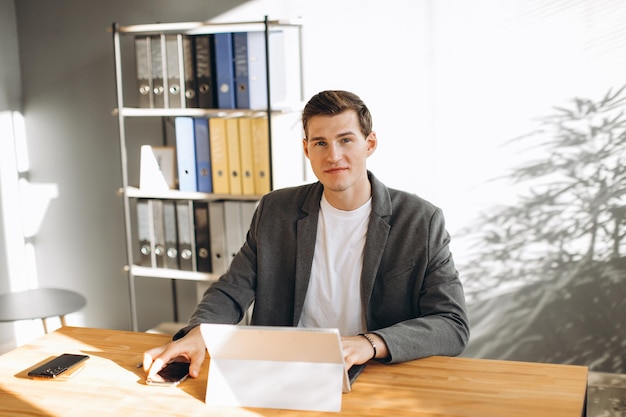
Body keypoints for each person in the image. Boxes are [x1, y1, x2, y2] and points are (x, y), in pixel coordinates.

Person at [143, 90, 470, 380]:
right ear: (306, 149)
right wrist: (200, 331)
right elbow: (233, 289)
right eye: (320, 143)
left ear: (369, 144)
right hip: (283, 369)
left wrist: (370, 344)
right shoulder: (276, 209)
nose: (333, 156)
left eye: (346, 140)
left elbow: (451, 323)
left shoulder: (420, 221)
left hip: (375, 373)